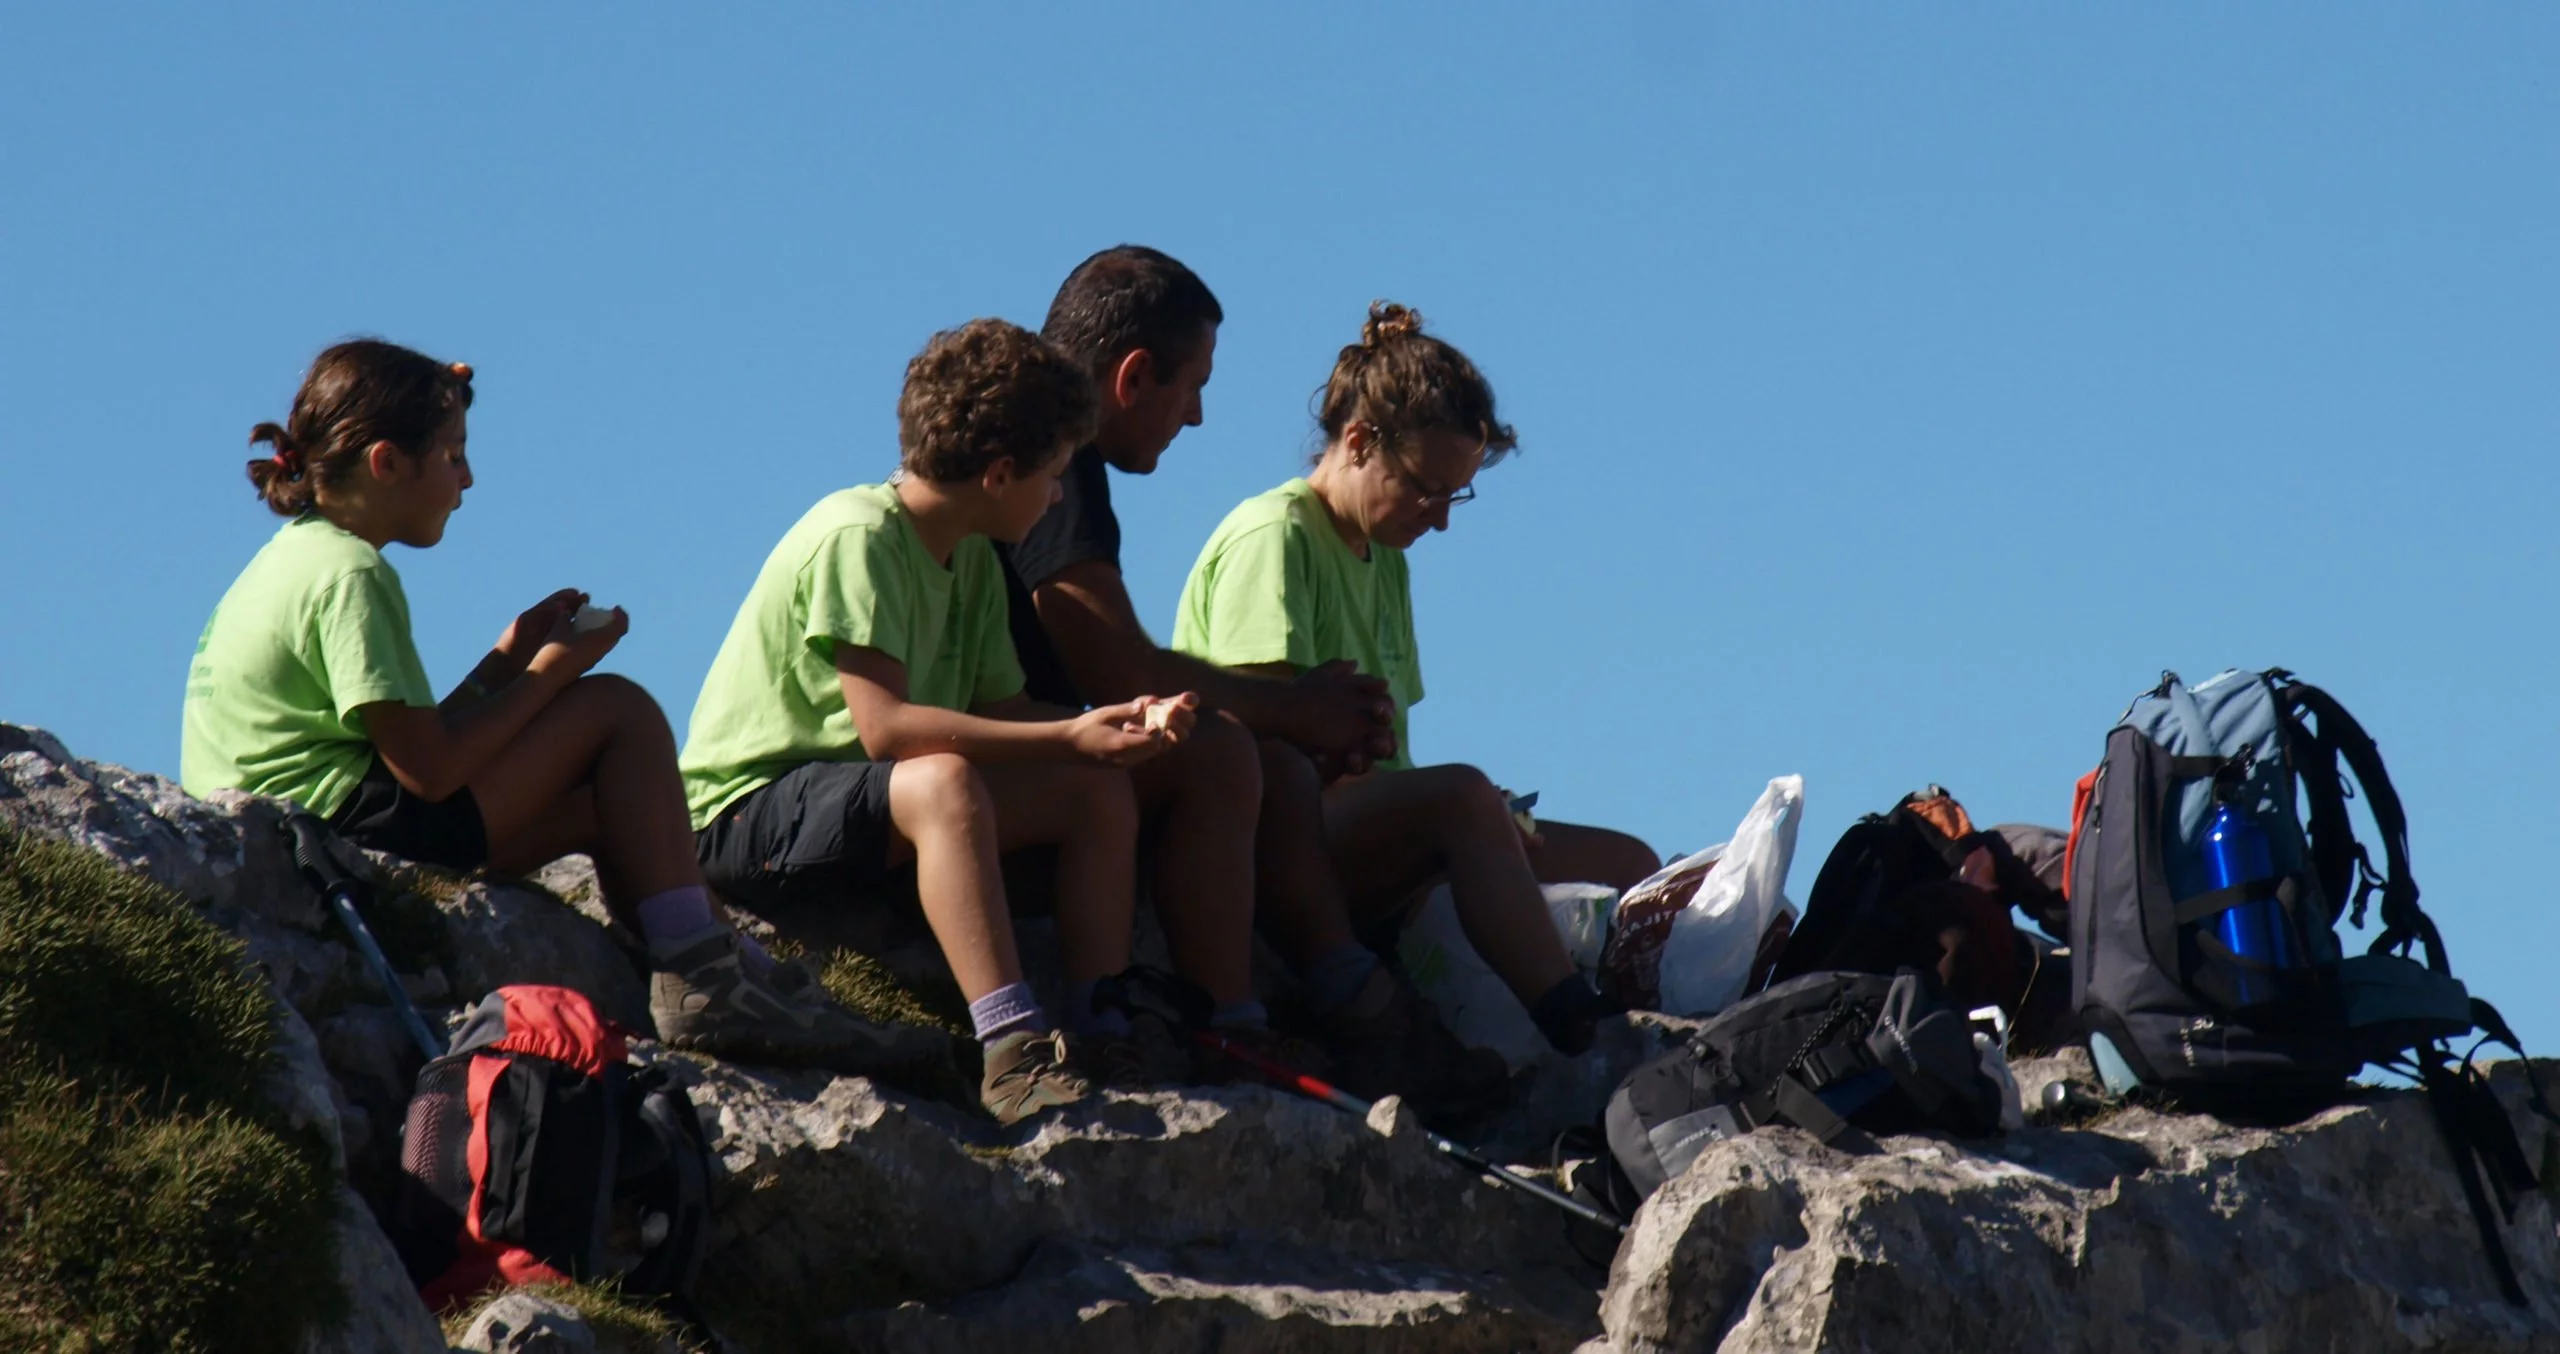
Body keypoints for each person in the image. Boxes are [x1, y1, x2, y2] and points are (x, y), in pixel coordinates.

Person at [181, 339, 890, 1070]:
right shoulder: (351, 576)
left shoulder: (300, 558)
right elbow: (428, 772)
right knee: (618, 710)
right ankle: (708, 980)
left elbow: (409, 741)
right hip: (334, 842)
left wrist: (507, 659)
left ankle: (719, 965)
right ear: (387, 462)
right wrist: (556, 673)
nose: (468, 478)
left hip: (317, 824)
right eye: (453, 455)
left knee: (603, 803)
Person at [680, 317, 1257, 1126]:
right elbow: (886, 730)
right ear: (997, 474)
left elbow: (1000, 710)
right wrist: (1065, 735)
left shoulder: (975, 560)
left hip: (869, 806)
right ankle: (1011, 1047)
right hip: (750, 815)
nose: (1059, 493)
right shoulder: (860, 535)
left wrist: (1109, 729)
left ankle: (1101, 1025)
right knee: (944, 782)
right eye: (1053, 474)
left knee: (1096, 789)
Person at [996, 247, 1509, 1121]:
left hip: (1016, 755)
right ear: (1133, 376)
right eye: (1192, 386)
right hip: (991, 770)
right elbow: (1110, 663)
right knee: (1226, 751)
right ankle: (1230, 1024)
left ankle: (1323, 1002)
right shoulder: (1050, 461)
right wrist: (1294, 709)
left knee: (1252, 757)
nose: (1195, 418)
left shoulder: (1055, 458)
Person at [1172, 301, 1659, 1061]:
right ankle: (1578, 1029)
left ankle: (1666, 1017)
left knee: (1630, 862)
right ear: (1359, 442)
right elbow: (1256, 748)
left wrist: (1492, 825)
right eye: (1426, 489)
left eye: (1456, 495)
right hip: (1273, 851)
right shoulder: (1276, 535)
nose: (1439, 521)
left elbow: (1385, 759)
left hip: (1363, 836)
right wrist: (1462, 814)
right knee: (1464, 795)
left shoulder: (1384, 557)